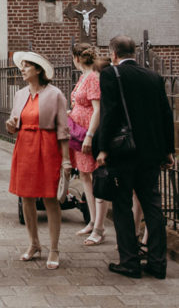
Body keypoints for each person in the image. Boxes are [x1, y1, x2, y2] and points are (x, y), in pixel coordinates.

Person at [97, 34, 175, 280]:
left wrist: (103, 148)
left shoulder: (111, 74)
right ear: (135, 53)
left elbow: (109, 113)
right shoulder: (153, 76)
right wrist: (169, 150)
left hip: (123, 152)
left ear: (113, 53)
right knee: (153, 206)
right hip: (151, 152)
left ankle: (129, 261)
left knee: (122, 205)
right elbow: (165, 115)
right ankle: (158, 263)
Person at [7, 50, 71, 270]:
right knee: (26, 197)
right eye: (21, 65)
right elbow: (16, 122)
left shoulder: (55, 95)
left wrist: (66, 161)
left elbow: (63, 129)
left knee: (50, 198)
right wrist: (11, 125)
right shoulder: (20, 94)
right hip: (25, 147)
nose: (22, 69)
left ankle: (54, 248)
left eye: (26, 66)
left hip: (48, 148)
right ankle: (34, 243)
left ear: (38, 70)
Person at [69, 43, 107, 244]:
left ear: (76, 58)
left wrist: (91, 135)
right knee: (85, 175)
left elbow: (97, 108)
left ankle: (99, 227)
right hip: (78, 132)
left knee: (96, 176)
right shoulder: (83, 77)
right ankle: (92, 220)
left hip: (88, 133)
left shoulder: (92, 77)